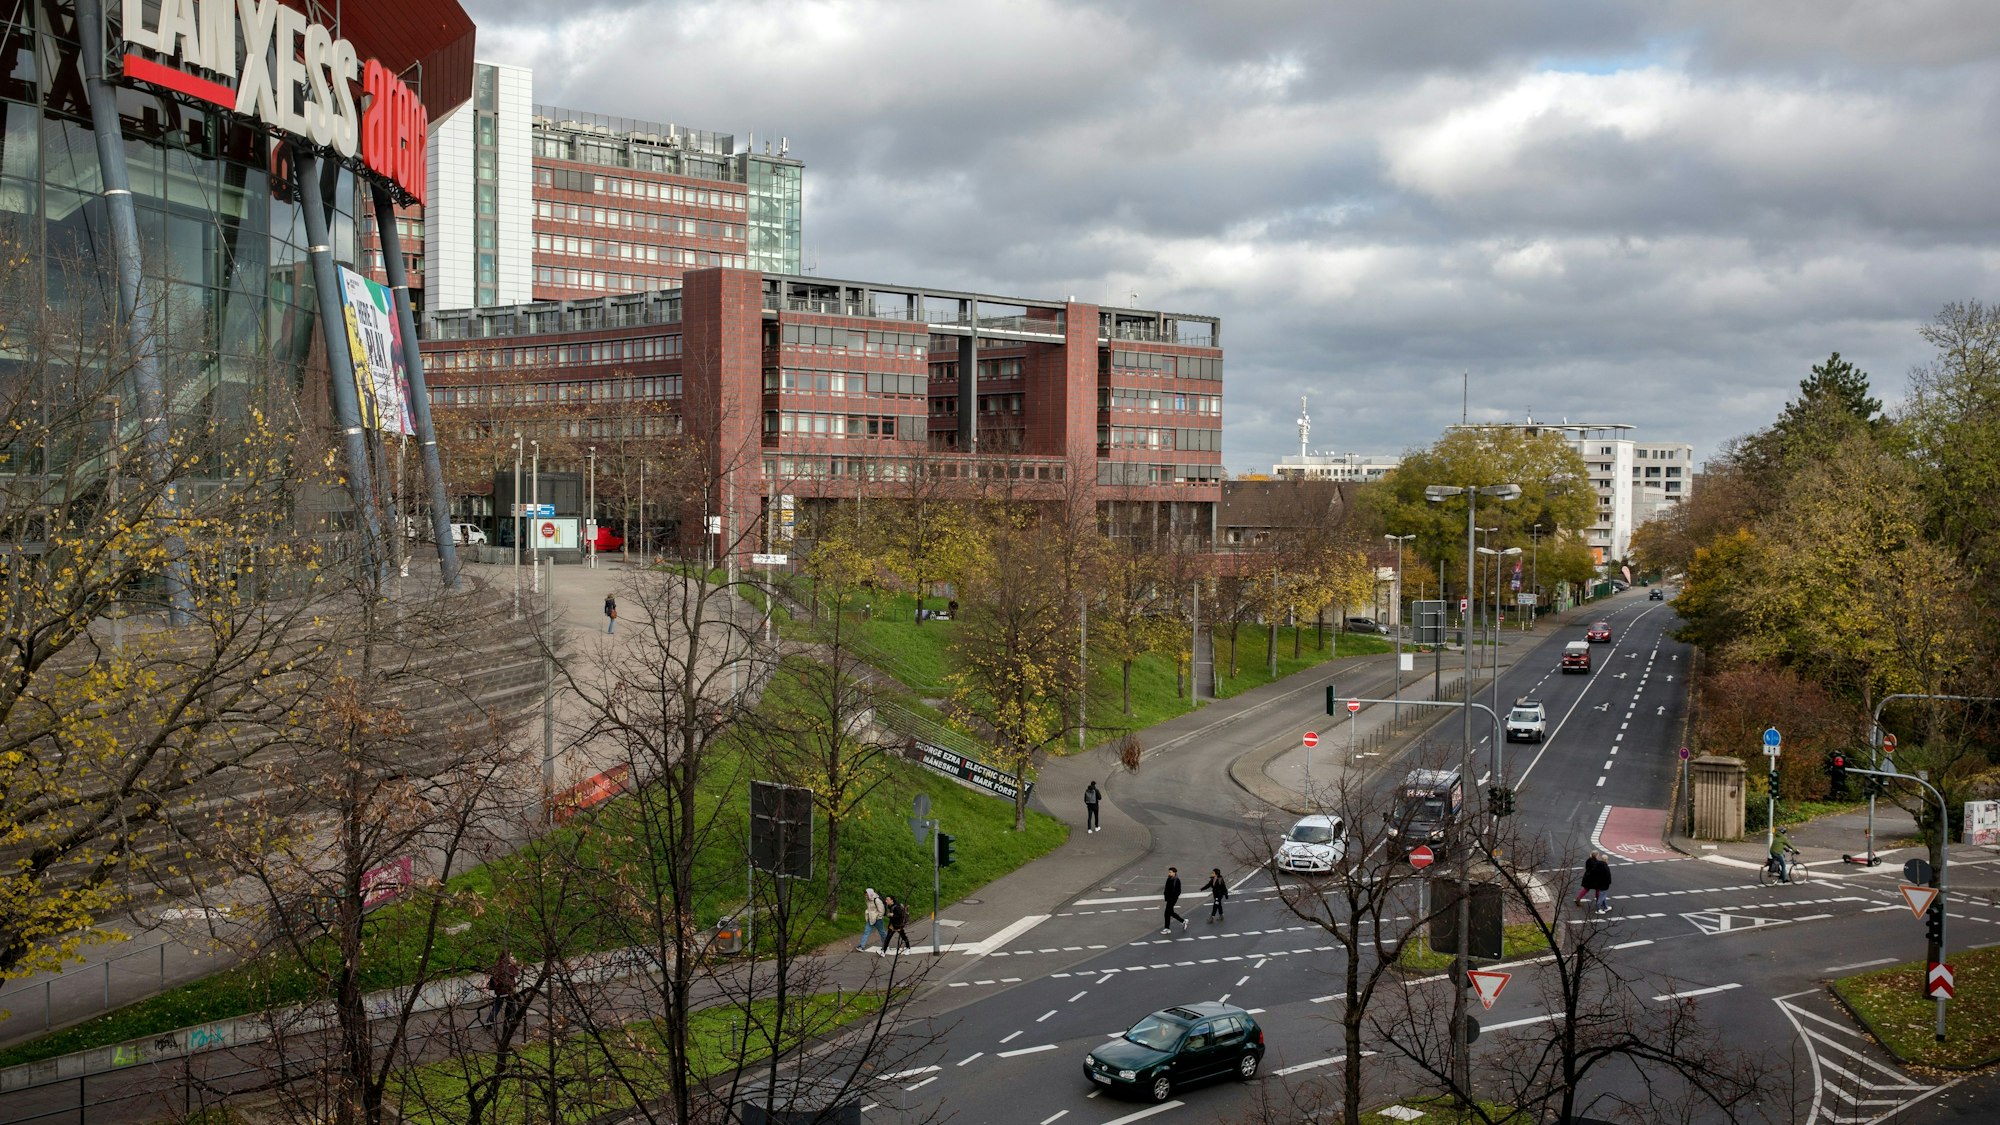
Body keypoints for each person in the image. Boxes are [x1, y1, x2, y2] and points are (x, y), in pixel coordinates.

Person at [483, 949, 522, 1031]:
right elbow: (515, 973)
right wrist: (514, 965)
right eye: (511, 956)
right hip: (507, 989)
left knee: (501, 1005)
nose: (512, 957)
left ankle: (489, 1022)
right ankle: (513, 1019)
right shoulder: (507, 966)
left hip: (500, 989)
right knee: (510, 1004)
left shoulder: (498, 964)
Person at [1161, 866, 1186, 934]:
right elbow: (1166, 888)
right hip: (1169, 898)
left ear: (1174, 873)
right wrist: (1166, 896)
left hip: (1173, 899)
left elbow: (1178, 891)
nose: (1169, 873)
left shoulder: (1176, 880)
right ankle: (1183, 921)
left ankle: (1167, 928)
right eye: (1169, 872)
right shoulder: (1169, 878)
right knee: (1171, 912)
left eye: (1170, 872)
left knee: (1167, 913)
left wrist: (1173, 897)